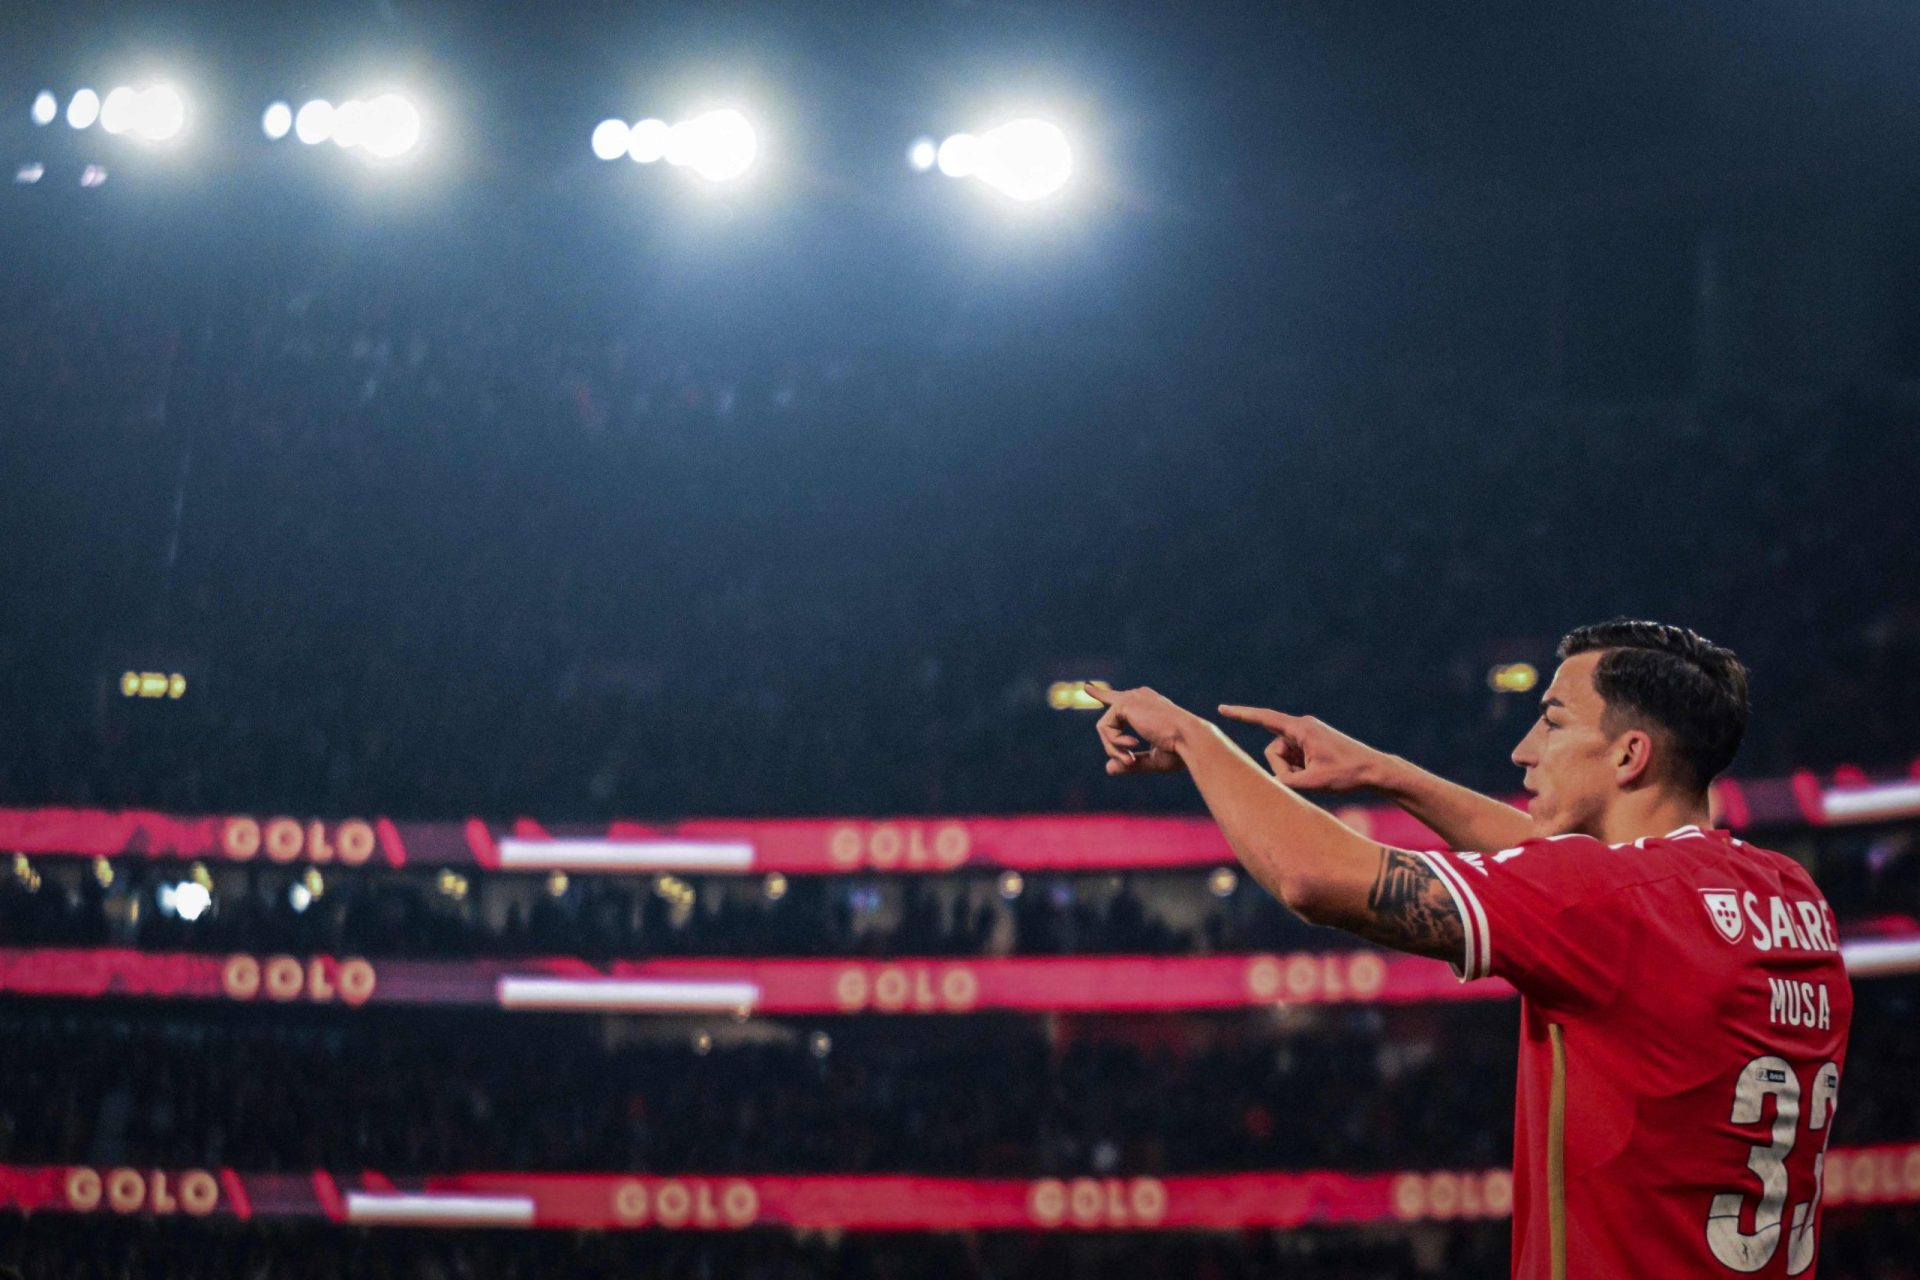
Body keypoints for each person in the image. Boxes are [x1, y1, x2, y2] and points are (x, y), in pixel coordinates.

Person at [1089, 619, 1852, 1279]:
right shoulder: (1784, 893)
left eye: (1552, 721)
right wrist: (1382, 774)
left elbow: (1312, 879)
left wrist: (1196, 740)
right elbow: (1565, 877)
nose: (1525, 751)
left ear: (1629, 757)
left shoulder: (1608, 906)